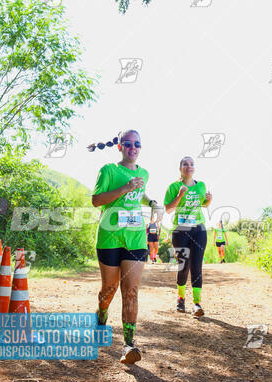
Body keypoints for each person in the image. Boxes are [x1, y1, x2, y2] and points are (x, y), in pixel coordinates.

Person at [90, 129, 159, 365]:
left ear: (140, 147)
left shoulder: (144, 173)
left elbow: (139, 193)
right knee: (108, 290)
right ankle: (101, 317)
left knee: (130, 291)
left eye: (137, 144)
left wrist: (151, 202)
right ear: (120, 147)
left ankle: (129, 344)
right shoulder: (108, 170)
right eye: (128, 144)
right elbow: (97, 200)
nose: (133, 147)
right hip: (109, 238)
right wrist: (125, 188)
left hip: (136, 238)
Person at [164, 156, 212, 316]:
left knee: (197, 266)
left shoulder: (201, 185)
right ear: (180, 168)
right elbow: (169, 209)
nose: (189, 166)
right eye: (185, 164)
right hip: (181, 230)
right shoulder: (174, 186)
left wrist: (209, 201)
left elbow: (202, 203)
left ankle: (197, 304)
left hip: (199, 229)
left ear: (194, 168)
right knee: (183, 266)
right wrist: (179, 195)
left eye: (191, 164)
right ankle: (180, 299)